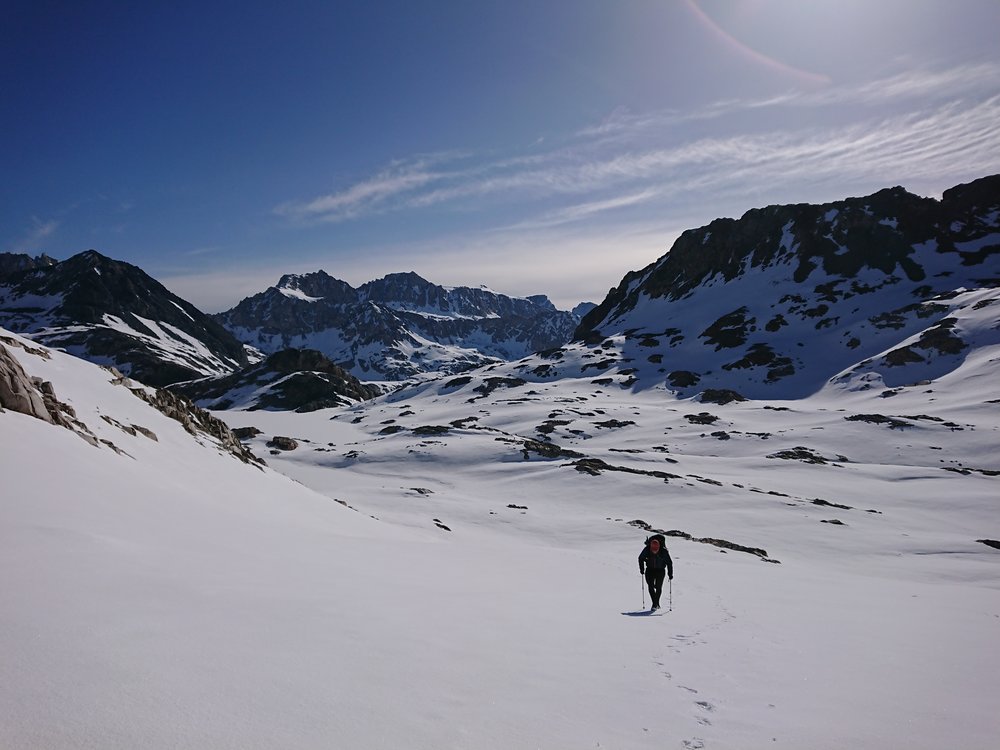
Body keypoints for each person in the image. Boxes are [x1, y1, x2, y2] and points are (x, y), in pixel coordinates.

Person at [638, 534, 673, 611]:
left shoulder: (663, 551)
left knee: (658, 587)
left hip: (660, 570)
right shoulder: (647, 549)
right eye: (653, 549)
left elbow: (669, 562)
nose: (654, 551)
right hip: (649, 570)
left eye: (656, 549)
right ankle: (655, 603)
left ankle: (656, 603)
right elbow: (640, 558)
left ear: (659, 547)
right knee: (650, 586)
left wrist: (670, 574)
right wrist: (642, 569)